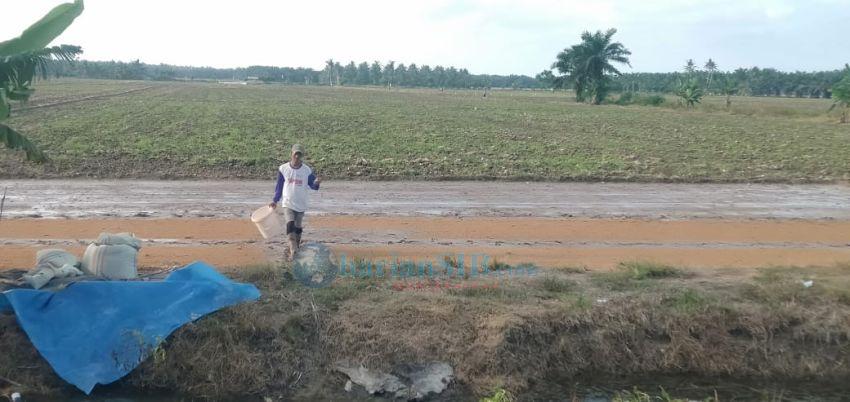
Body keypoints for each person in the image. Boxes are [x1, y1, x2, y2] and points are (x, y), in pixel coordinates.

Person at [269, 144, 321, 260]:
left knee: (297, 228)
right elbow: (279, 187)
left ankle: (296, 246)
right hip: (288, 203)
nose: (297, 157)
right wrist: (275, 200)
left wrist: (317, 183)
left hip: (301, 204)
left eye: (299, 155)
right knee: (290, 224)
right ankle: (293, 250)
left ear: (302, 156)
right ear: (291, 154)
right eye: (295, 154)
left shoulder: (306, 170)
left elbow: (313, 186)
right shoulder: (283, 169)